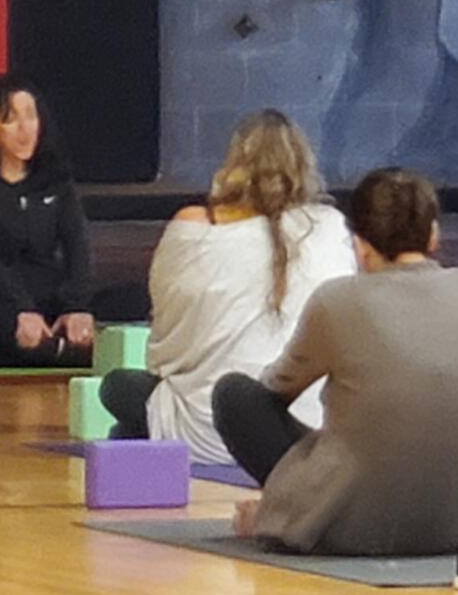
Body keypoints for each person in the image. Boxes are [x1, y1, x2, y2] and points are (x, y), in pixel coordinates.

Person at [211, 168, 458, 556]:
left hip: (355, 529)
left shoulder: (339, 300)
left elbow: (276, 387)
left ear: (360, 246)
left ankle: (283, 516)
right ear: (433, 234)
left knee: (235, 396)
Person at [99, 110, 356, 464]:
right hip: (307, 432)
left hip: (209, 432)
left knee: (117, 387)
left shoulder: (194, 225)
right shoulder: (330, 226)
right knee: (127, 419)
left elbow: (166, 343)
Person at [0, 74, 95, 367]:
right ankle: (63, 353)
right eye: (11, 120)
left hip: (49, 295)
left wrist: (76, 307)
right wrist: (21, 308)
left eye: (31, 116)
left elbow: (78, 247)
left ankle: (58, 348)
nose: (25, 129)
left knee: (132, 298)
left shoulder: (57, 183)